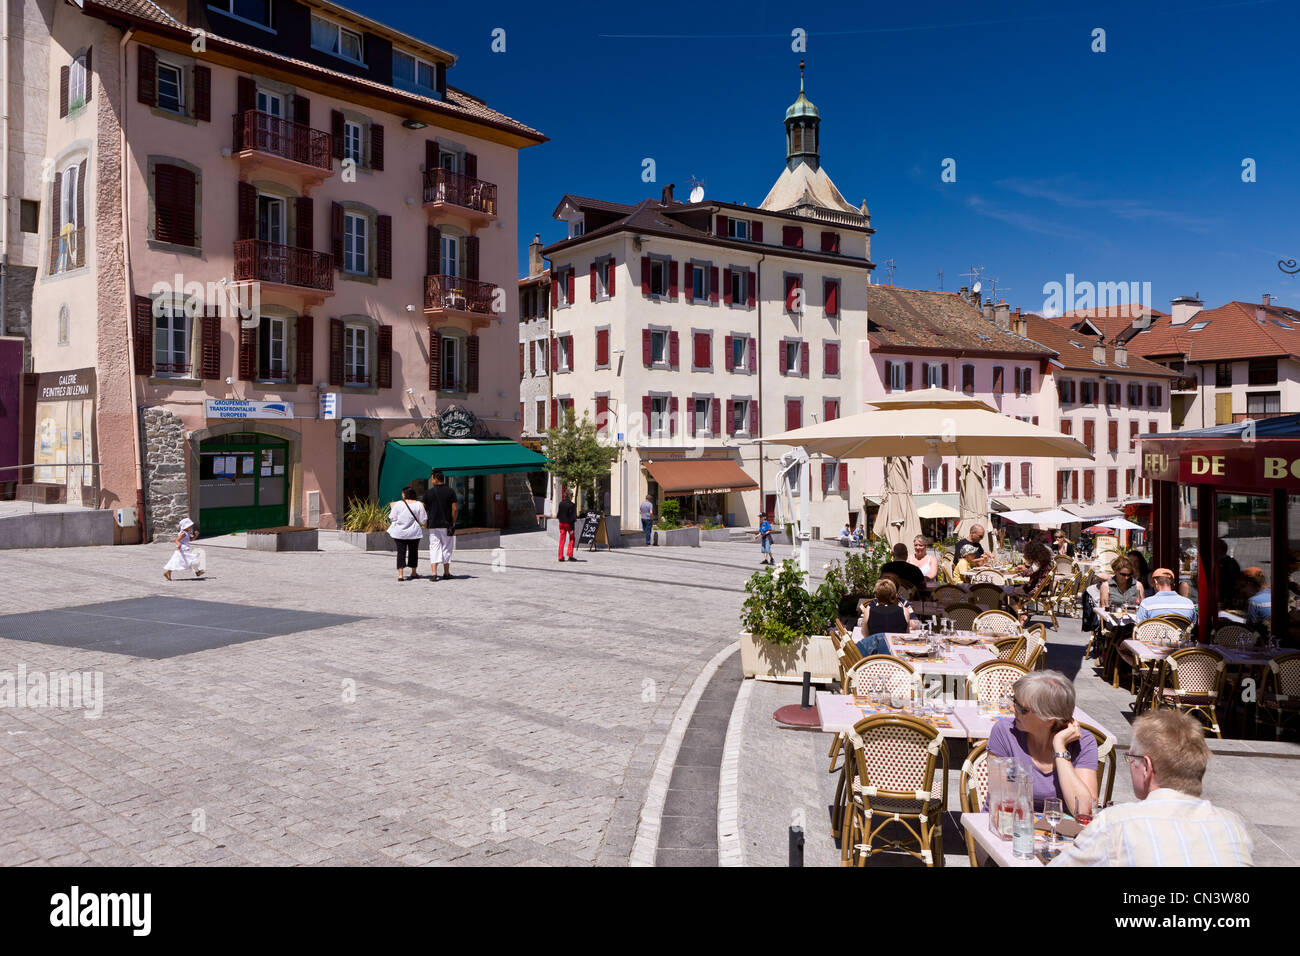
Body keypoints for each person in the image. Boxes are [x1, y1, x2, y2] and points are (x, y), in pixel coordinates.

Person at [1050, 710, 1253, 866]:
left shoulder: (1116, 823)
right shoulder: (1232, 826)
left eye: (1131, 758)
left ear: (1146, 767)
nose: (1130, 764)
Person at [986, 670, 1098, 813]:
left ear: (1048, 719)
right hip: (1009, 826)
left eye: (1021, 708)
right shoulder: (1005, 732)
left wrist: (1060, 748)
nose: (1011, 708)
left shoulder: (1084, 742)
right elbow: (1004, 803)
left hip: (1061, 831)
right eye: (1014, 701)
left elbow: (1084, 812)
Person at [856, 577, 912, 656]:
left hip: (875, 659)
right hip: (898, 660)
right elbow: (906, 636)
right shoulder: (904, 611)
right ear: (895, 595)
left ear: (876, 596)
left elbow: (865, 634)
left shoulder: (869, 610)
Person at [422, 470, 458, 581]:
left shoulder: (428, 493)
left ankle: (434, 573)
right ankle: (446, 573)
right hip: (447, 525)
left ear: (436, 479)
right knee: (447, 548)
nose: (431, 480)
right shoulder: (451, 492)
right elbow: (455, 509)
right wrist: (453, 521)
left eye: (432, 478)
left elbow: (423, 508)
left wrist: (425, 521)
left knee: (434, 547)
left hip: (433, 525)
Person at [1010, 539, 1055, 625]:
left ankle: (1022, 615)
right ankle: (1020, 613)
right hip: (1043, 589)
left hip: (1037, 590)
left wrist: (1022, 571)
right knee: (1015, 588)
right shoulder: (1044, 561)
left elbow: (1029, 572)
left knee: (1009, 592)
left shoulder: (1038, 562)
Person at [387, 487, 427, 582]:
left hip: (400, 533)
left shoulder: (398, 504)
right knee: (413, 552)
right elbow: (423, 520)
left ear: (404, 494)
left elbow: (392, 518)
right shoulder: (419, 505)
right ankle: (413, 572)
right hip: (414, 533)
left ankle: (400, 575)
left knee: (401, 552)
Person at [557, 488, 578, 563]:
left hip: (561, 523)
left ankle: (560, 556)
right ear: (570, 496)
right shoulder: (572, 505)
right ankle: (570, 555)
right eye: (572, 496)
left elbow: (558, 514)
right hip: (568, 524)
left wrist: (560, 521)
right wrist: (572, 528)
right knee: (572, 538)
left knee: (562, 540)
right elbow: (573, 517)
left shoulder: (561, 503)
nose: (572, 497)